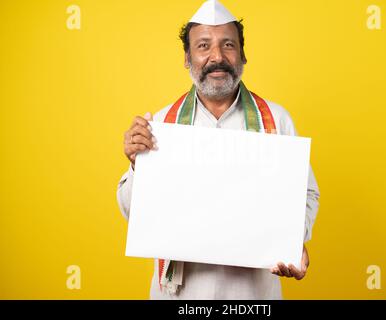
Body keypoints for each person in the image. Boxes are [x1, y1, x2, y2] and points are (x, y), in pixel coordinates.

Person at [117, 0, 320, 299]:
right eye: (203, 46)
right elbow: (133, 213)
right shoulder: (161, 124)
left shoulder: (276, 121)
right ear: (187, 58)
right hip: (181, 295)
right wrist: (137, 165)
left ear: (242, 55)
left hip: (252, 296)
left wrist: (289, 239)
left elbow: (307, 194)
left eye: (228, 45)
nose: (217, 56)